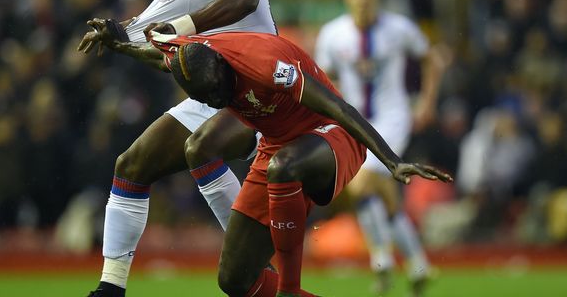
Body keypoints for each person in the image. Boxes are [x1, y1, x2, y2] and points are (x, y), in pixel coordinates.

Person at [141, 31, 452, 297]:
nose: (214, 99)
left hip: (332, 135)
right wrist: (118, 43)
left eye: (214, 88)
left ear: (222, 64)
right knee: (234, 280)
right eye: (204, 97)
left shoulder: (266, 66)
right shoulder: (192, 59)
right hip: (279, 145)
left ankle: (289, 289)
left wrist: (392, 161)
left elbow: (338, 107)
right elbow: (160, 53)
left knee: (282, 167)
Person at [77, 0, 276, 297]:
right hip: (217, 96)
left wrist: (182, 28)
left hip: (260, 92)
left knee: (200, 149)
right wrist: (120, 40)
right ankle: (110, 288)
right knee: (131, 165)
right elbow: (164, 52)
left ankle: (256, 262)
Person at [313, 0, 450, 295]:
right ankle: (417, 264)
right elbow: (323, 78)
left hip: (393, 119)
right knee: (378, 194)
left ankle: (382, 258)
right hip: (355, 121)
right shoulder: (333, 34)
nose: (363, 1)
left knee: (362, 183)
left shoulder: (399, 28)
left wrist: (427, 102)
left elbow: (432, 59)